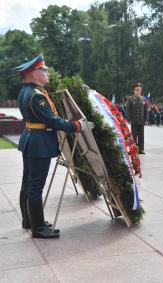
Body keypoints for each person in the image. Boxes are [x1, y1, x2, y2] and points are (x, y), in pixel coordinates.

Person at [16, 54, 91, 239]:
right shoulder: (36, 96)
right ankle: (38, 228)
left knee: (28, 183)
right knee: (35, 186)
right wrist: (77, 126)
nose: (47, 72)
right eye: (44, 70)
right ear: (34, 74)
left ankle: (30, 221)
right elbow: (53, 121)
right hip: (39, 143)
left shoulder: (26, 91)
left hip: (31, 139)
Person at [126, 82, 147, 154]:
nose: (138, 91)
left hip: (141, 120)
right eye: (137, 90)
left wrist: (146, 119)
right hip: (134, 120)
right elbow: (128, 110)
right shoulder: (130, 99)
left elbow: (145, 110)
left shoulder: (143, 99)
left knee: (141, 135)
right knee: (134, 135)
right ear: (134, 91)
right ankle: (134, 149)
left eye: (139, 90)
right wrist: (128, 119)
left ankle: (141, 149)